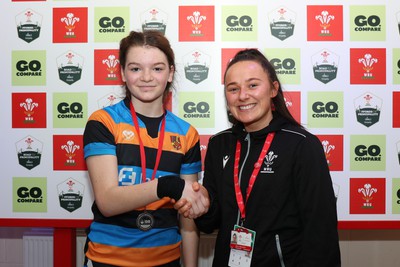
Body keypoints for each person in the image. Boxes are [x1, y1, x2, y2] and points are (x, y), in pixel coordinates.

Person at [177, 49, 341, 266]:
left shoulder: (302, 145)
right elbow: (211, 223)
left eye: (253, 85)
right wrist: (201, 207)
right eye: (233, 89)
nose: (243, 95)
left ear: (273, 89)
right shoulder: (219, 145)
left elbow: (321, 232)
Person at [83, 30, 209, 267]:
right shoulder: (103, 122)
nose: (147, 77)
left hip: (167, 259)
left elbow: (188, 216)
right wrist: (166, 186)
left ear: (170, 73)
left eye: (157, 68)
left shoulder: (186, 133)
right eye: (135, 68)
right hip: (107, 259)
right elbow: (108, 203)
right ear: (122, 72)